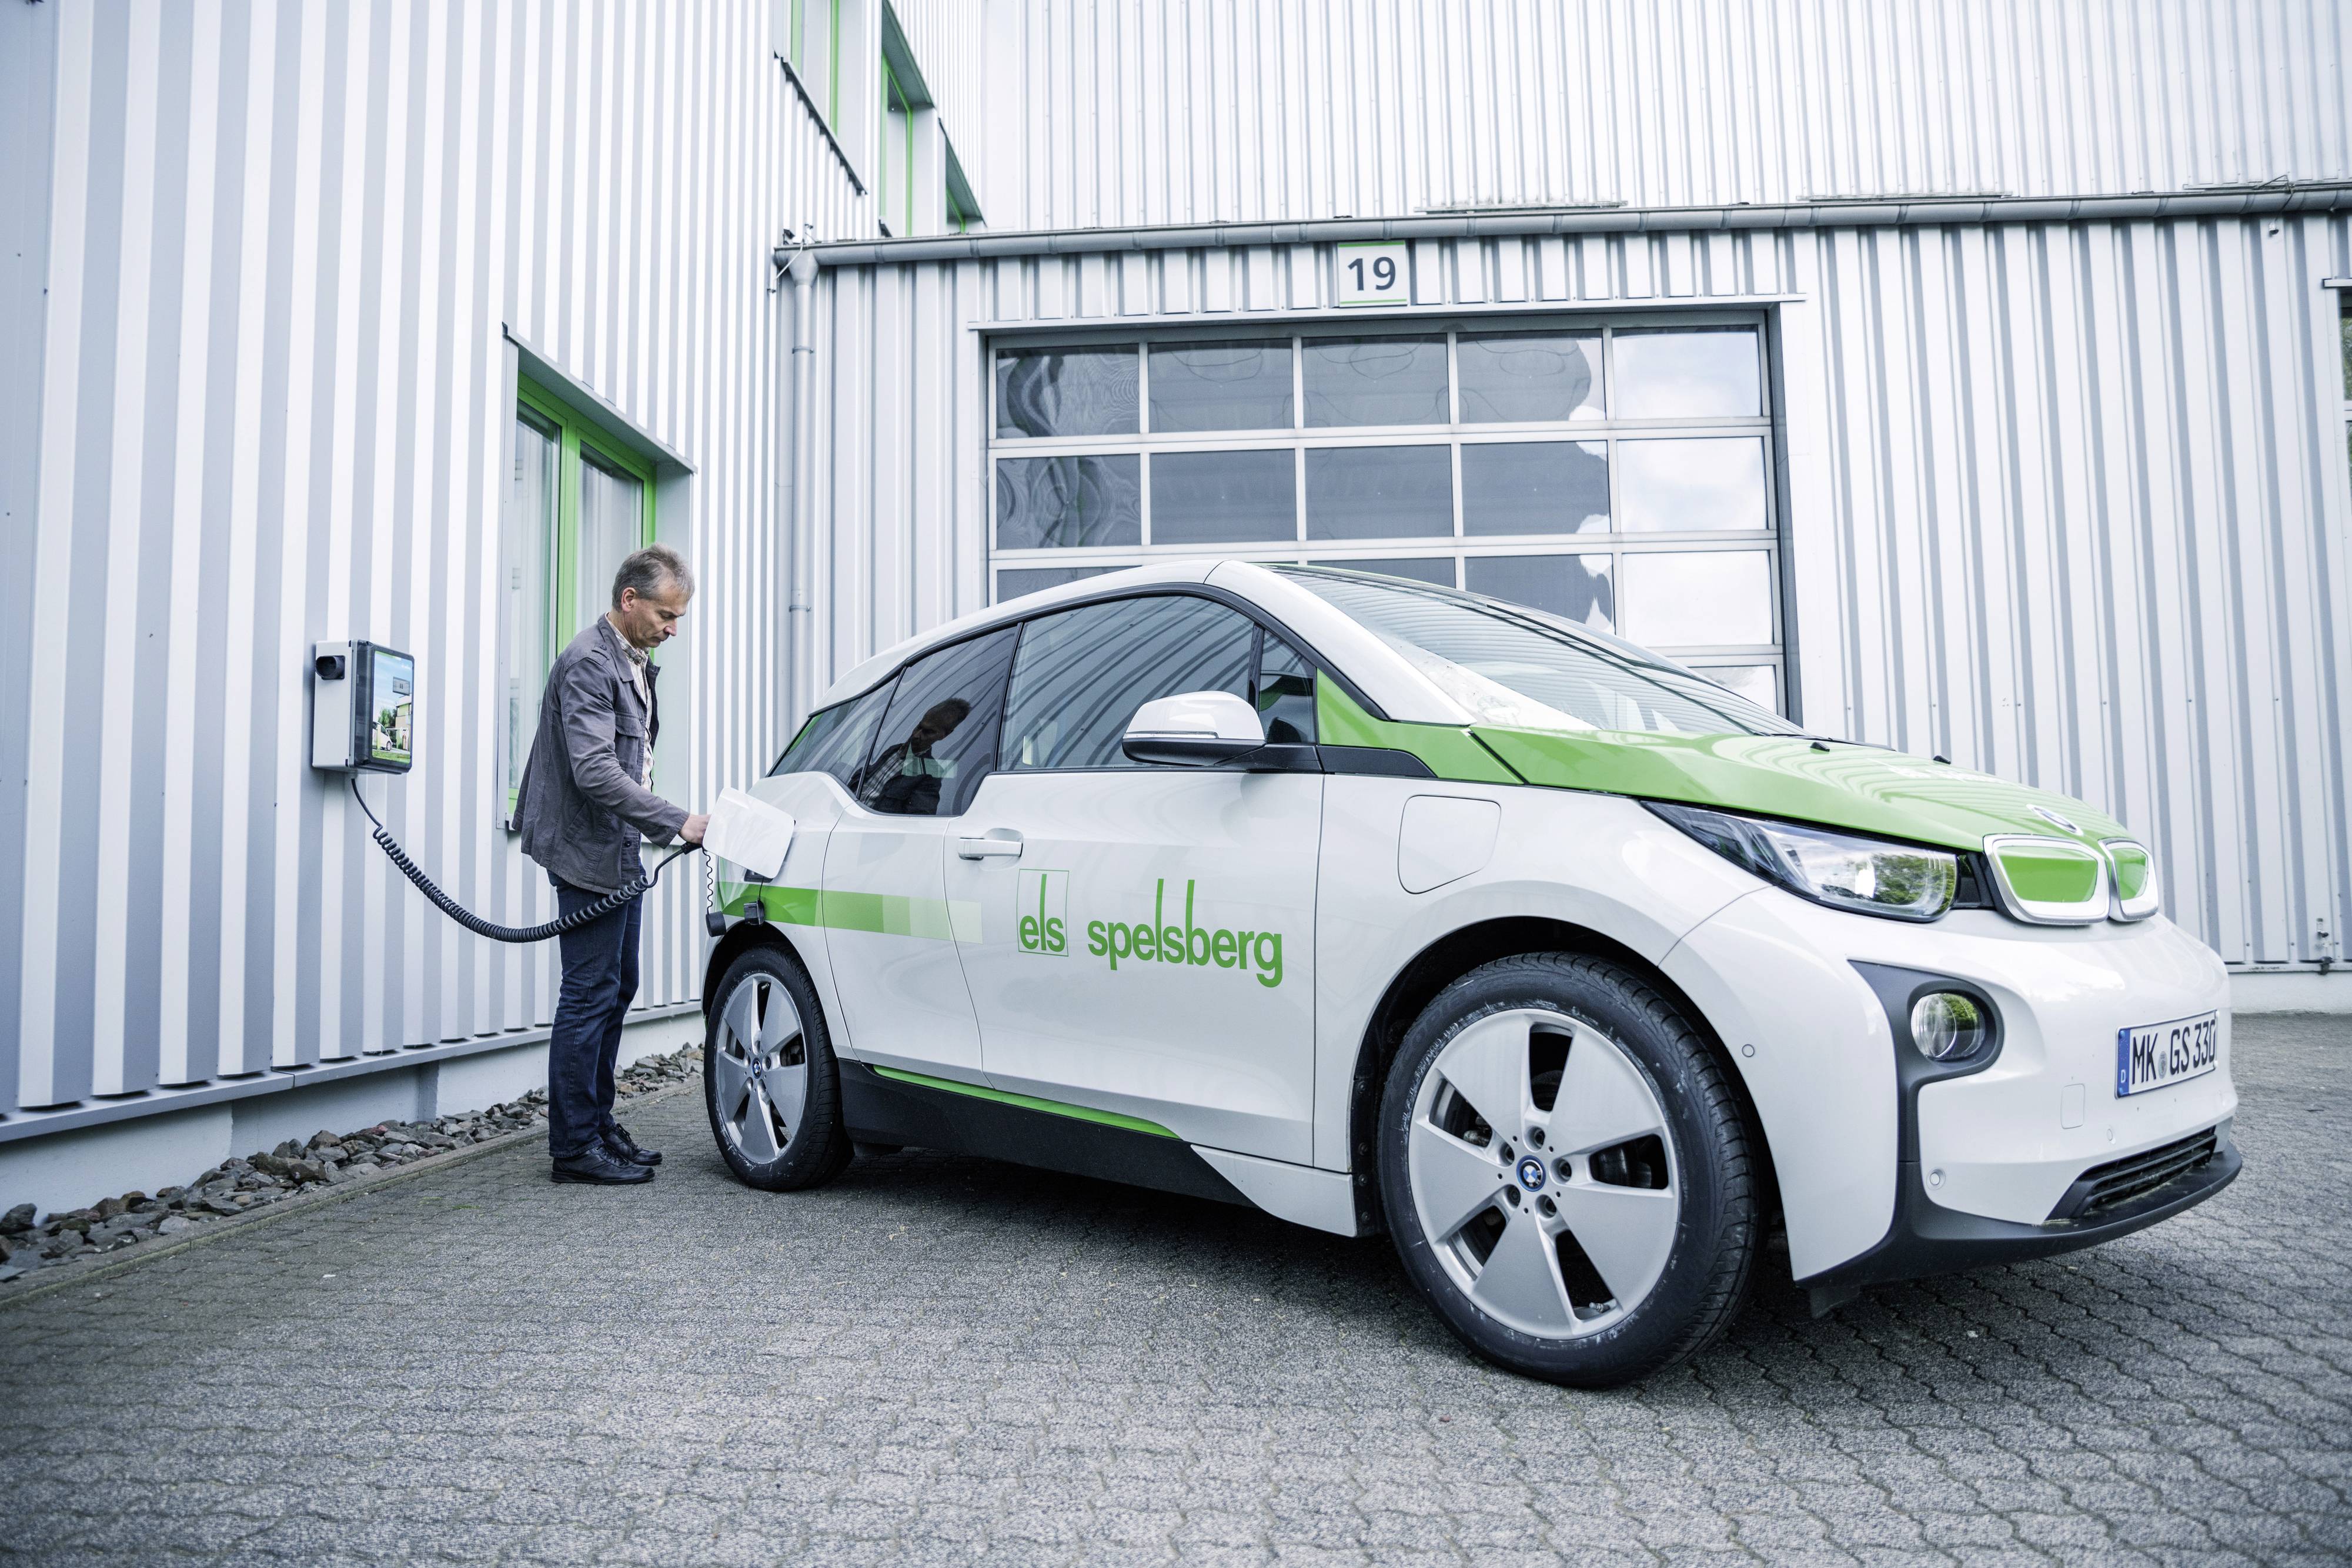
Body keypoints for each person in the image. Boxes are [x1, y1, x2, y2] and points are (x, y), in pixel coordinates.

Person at [514, 544, 709, 1185]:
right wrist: (676, 820)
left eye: (677, 616)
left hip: (620, 846)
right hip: (586, 850)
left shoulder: (634, 661)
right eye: (665, 614)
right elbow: (595, 769)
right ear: (630, 600)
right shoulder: (589, 664)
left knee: (615, 990)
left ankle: (597, 1124)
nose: (672, 628)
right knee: (589, 994)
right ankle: (573, 1149)